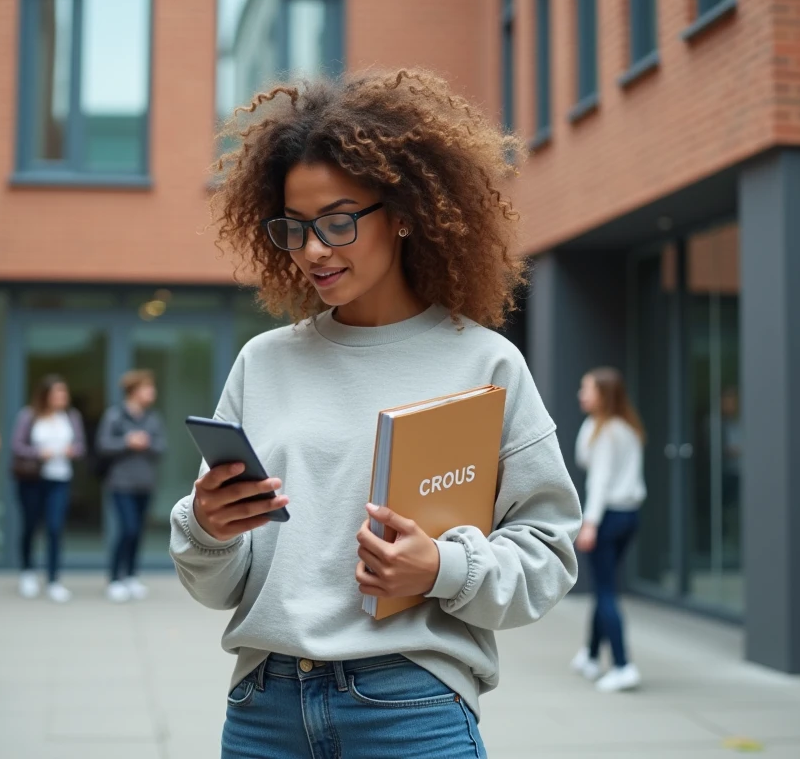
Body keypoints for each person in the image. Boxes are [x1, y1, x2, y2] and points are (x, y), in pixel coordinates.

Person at [170, 69, 582, 757]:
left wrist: (443, 571)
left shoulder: (484, 365)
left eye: (337, 221)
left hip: (409, 708)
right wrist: (208, 529)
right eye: (294, 228)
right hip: (263, 710)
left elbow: (548, 555)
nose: (313, 251)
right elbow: (222, 584)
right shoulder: (262, 363)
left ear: (401, 212)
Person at [570, 367, 647, 693]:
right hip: (629, 516)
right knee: (605, 587)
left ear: (603, 394)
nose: (580, 394)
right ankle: (590, 655)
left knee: (605, 592)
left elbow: (598, 482)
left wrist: (589, 524)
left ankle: (622, 665)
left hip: (607, 517)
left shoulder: (604, 432)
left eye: (586, 389)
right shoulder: (627, 427)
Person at [12, 374, 85, 604]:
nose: (62, 397)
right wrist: (38, 453)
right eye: (57, 393)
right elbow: (17, 446)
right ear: (46, 395)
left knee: (55, 527)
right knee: (31, 525)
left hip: (60, 478)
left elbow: (81, 446)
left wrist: (73, 450)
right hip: (32, 478)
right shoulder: (28, 416)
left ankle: (53, 579)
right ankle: (28, 572)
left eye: (64, 392)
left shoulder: (71, 417)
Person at [96, 369, 166, 603]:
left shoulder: (152, 418)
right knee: (128, 529)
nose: (152, 392)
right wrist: (127, 442)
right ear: (134, 391)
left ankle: (132, 576)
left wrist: (145, 443)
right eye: (148, 388)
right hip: (121, 483)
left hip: (144, 484)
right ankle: (115, 578)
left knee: (138, 533)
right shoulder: (115, 416)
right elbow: (103, 445)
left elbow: (160, 448)